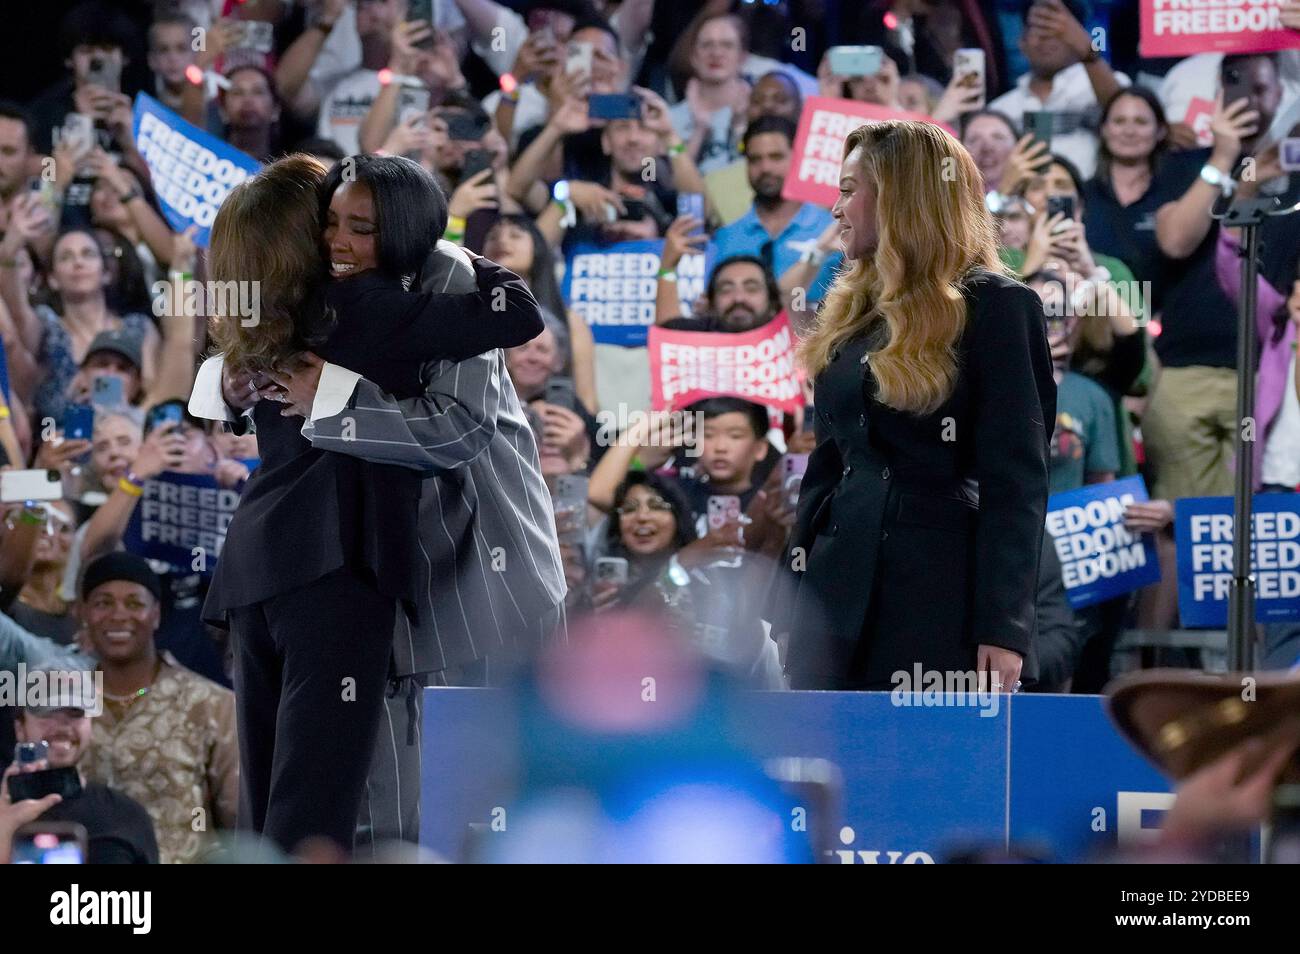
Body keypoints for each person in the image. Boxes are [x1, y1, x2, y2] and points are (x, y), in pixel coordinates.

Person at [191, 154, 544, 854]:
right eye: (327, 223)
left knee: (287, 799)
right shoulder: (348, 300)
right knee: (325, 806)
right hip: (340, 565)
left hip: (326, 570)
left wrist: (239, 391)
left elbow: (464, 425)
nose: (338, 242)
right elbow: (514, 315)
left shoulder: (282, 305)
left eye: (356, 225)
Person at [774, 119, 1055, 691]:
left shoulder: (998, 307)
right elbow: (828, 464)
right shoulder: (853, 310)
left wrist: (1003, 628)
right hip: (830, 594)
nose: (836, 209)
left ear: (902, 197)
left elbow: (1016, 482)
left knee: (921, 774)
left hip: (937, 596)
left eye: (851, 190)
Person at [77, 552, 239, 864]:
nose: (118, 615)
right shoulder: (62, 706)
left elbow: (238, 822)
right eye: (103, 603)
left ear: (157, 614)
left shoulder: (210, 704)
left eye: (135, 603)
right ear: (83, 613)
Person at [8, 677, 159, 863]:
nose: (62, 725)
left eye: (75, 712)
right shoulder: (4, 814)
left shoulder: (127, 815)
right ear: (20, 728)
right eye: (47, 711)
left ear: (91, 725)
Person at [987, 0, 1127, 179]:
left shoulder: (1107, 85)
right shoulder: (1000, 110)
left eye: (1057, 30)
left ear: (1078, 37)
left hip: (1092, 201)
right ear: (1021, 41)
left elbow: (1124, 111)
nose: (1045, 37)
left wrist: (1088, 53)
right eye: (1038, 28)